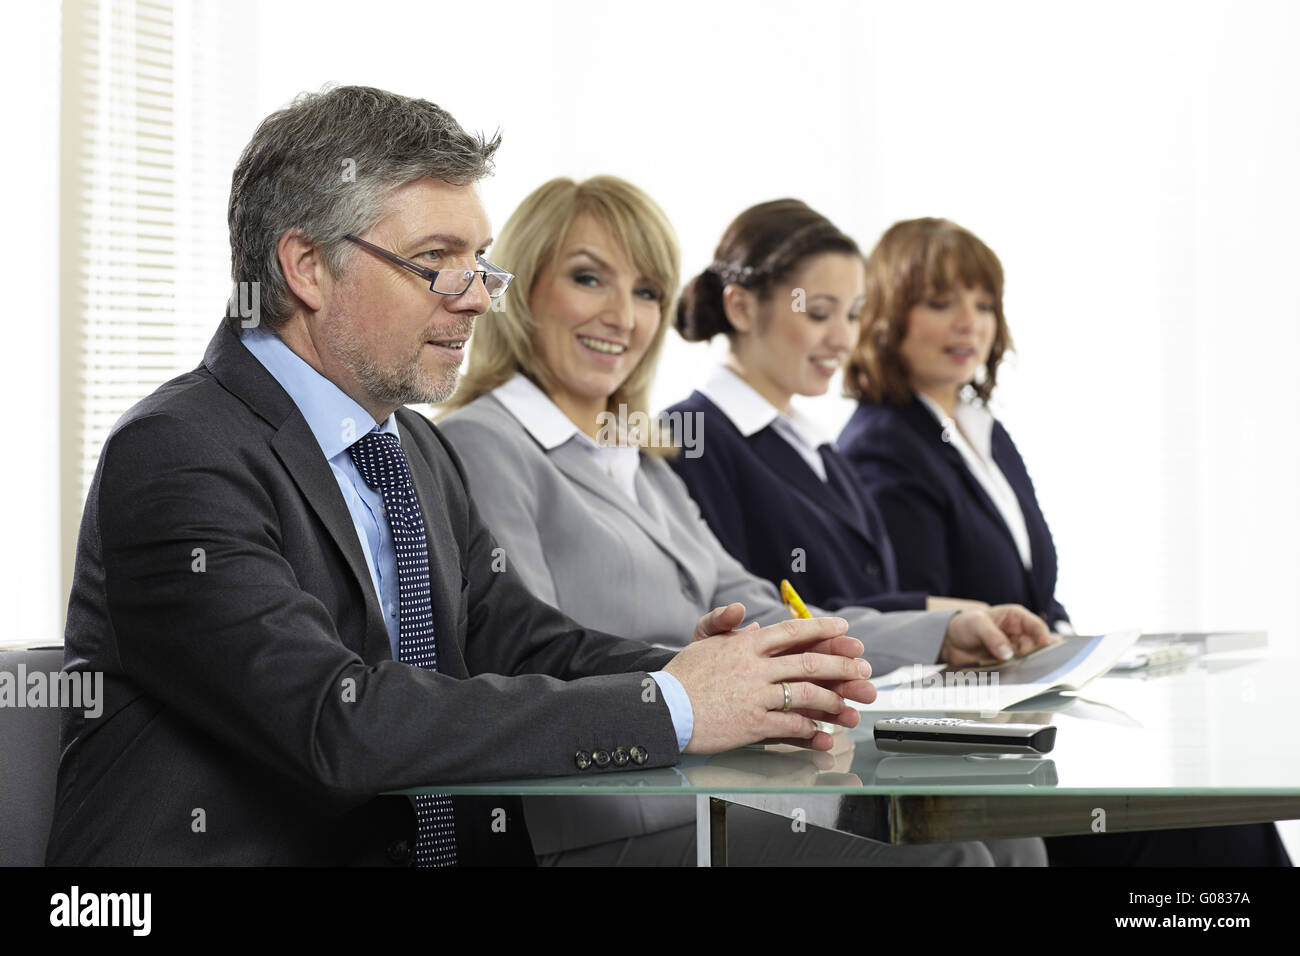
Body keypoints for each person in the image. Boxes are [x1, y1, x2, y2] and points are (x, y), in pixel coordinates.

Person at [44, 86, 878, 868]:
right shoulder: (180, 451)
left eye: (480, 261)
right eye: (437, 259)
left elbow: (519, 640)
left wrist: (720, 677)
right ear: (305, 267)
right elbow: (339, 723)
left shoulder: (412, 447)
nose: (478, 297)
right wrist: (676, 706)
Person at [436, 175, 1054, 865]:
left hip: (737, 782)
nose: (623, 316)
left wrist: (940, 633)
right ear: (521, 289)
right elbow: (524, 655)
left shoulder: (647, 461)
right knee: (957, 861)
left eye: (645, 292)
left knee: (1010, 833)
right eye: (589, 279)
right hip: (620, 813)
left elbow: (768, 611)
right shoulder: (485, 445)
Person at [838, 216, 1291, 867]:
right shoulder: (883, 442)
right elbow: (921, 625)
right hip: (981, 761)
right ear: (887, 315)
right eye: (941, 304)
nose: (971, 323)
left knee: (1232, 813)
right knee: (1213, 827)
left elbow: (1032, 592)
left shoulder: (978, 428)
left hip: (1032, 721)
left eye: (984, 303)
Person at [666, 200, 990, 617]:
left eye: (853, 315)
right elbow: (745, 614)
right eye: (819, 313)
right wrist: (935, 621)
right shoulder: (690, 435)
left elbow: (863, 596)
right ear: (741, 308)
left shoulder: (817, 447)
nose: (843, 339)